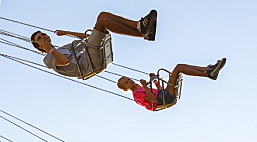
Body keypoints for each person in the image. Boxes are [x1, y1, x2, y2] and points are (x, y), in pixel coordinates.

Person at [28, 9, 157, 79]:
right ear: (39, 46)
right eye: (40, 38)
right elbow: (64, 62)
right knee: (102, 22)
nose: (43, 36)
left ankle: (141, 28)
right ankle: (142, 31)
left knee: (103, 16)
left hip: (89, 56)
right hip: (87, 64)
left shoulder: (63, 48)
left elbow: (87, 37)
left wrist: (67, 32)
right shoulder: (48, 58)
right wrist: (49, 49)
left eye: (43, 34)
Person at [117, 59, 225, 111]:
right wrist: (145, 86)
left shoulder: (140, 88)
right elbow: (153, 99)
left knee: (180, 68)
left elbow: (158, 90)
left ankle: (208, 71)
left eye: (128, 79)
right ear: (126, 88)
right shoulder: (137, 95)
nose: (130, 81)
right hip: (164, 98)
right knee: (178, 68)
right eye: (127, 82)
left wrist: (155, 81)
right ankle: (208, 72)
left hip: (163, 94)